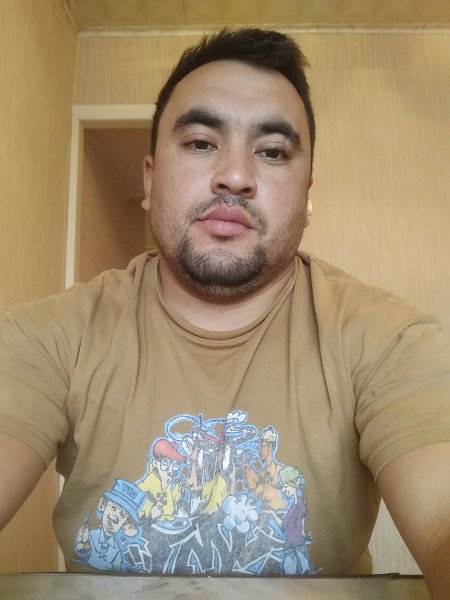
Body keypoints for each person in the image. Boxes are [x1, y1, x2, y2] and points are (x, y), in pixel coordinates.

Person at [0, 27, 449, 597]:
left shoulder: (386, 339)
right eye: (200, 143)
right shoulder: (51, 336)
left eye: (272, 152)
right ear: (149, 178)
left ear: (306, 192)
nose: (236, 175)